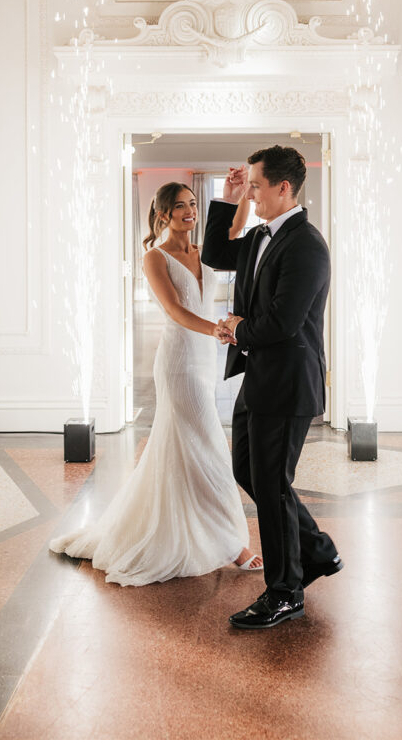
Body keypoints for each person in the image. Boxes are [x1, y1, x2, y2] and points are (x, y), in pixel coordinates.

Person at [49, 182, 262, 584]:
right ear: (163, 214)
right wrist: (218, 329)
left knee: (188, 446)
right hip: (179, 360)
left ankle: (201, 532)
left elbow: (232, 233)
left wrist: (238, 196)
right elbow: (175, 310)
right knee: (207, 445)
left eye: (193, 204)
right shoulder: (154, 257)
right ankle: (233, 545)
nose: (189, 211)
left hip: (203, 361)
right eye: (180, 206)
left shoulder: (203, 252)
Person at [202, 146, 342, 629]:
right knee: (251, 471)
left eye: (257, 185)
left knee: (271, 484)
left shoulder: (306, 245)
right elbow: (216, 252)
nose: (253, 192)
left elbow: (283, 323)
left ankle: (285, 592)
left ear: (284, 188)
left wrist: (237, 329)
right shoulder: (263, 233)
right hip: (260, 378)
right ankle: (317, 550)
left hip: (287, 384)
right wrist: (230, 199)